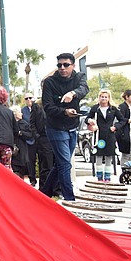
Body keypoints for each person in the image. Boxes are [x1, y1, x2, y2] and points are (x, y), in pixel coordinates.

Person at [39, 53, 88, 201]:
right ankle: (69, 198)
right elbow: (47, 107)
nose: (62, 68)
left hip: (72, 127)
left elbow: (84, 88)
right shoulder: (49, 82)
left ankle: (44, 194)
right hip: (55, 127)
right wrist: (65, 112)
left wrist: (73, 94)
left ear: (72, 66)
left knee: (61, 164)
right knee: (65, 164)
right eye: (59, 65)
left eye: (66, 65)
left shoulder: (79, 77)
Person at [86, 89, 126, 182]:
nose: (103, 98)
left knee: (109, 156)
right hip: (98, 135)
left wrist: (115, 127)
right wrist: (90, 122)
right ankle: (99, 177)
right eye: (102, 97)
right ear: (99, 98)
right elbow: (87, 118)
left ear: (108, 98)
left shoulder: (113, 109)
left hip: (110, 135)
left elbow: (122, 120)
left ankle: (107, 177)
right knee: (98, 156)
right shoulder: (95, 108)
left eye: (105, 97)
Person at [10, 105, 37, 181]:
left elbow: (30, 135)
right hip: (13, 149)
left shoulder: (24, 124)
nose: (22, 114)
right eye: (19, 112)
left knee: (22, 169)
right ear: (15, 114)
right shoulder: (10, 123)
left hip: (22, 150)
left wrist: (20, 133)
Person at [20, 92, 39, 186]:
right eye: (26, 99)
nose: (28, 100)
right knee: (31, 160)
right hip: (29, 139)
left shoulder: (39, 108)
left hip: (39, 139)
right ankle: (32, 180)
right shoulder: (22, 111)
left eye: (30, 98)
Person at [117, 89, 131, 165]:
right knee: (126, 153)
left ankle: (130, 172)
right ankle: (125, 171)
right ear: (127, 97)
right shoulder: (122, 107)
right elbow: (122, 119)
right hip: (125, 131)